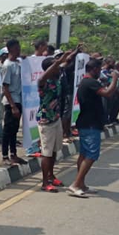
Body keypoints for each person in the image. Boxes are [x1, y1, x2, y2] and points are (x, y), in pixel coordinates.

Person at [69, 59, 119, 198]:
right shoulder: (90, 82)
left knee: (84, 154)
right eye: (99, 68)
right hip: (90, 123)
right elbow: (108, 93)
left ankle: (82, 184)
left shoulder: (87, 82)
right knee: (91, 154)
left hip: (88, 122)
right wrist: (115, 79)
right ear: (94, 69)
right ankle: (76, 184)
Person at [37, 51, 75, 192]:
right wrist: (57, 62)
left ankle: (51, 176)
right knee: (46, 153)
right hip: (46, 120)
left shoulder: (56, 79)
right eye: (56, 67)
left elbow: (67, 62)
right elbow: (43, 76)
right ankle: (45, 182)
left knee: (53, 151)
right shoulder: (43, 82)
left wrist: (73, 52)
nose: (60, 69)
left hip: (56, 118)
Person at [1, 39, 27, 166]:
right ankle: (5, 155)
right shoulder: (7, 65)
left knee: (15, 129)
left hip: (19, 99)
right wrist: (12, 106)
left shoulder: (18, 63)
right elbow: (5, 87)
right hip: (11, 101)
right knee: (8, 129)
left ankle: (13, 154)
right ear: (10, 49)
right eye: (17, 48)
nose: (19, 50)